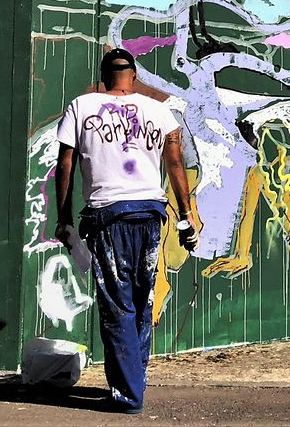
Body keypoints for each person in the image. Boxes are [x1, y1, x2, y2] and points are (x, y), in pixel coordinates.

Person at [54, 48, 198, 414]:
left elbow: (65, 163)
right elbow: (175, 163)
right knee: (141, 300)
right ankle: (135, 381)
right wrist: (186, 217)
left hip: (109, 217)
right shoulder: (160, 111)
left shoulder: (81, 106)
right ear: (133, 76)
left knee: (117, 305)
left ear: (103, 78)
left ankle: (129, 395)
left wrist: (64, 218)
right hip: (150, 214)